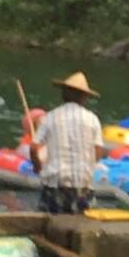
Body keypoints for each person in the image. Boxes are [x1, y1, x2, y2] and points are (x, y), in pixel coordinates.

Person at [29, 71, 106, 214]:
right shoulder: (93, 119)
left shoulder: (50, 117)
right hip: (83, 188)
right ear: (84, 97)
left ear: (64, 94)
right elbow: (99, 150)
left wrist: (37, 167)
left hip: (56, 186)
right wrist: (89, 163)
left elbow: (33, 148)